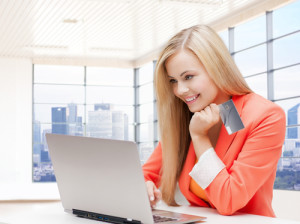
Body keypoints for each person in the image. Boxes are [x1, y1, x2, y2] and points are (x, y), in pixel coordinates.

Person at [142, 24, 286, 217]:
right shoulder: (189, 116)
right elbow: (144, 175)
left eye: (188, 77)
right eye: (173, 81)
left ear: (216, 68)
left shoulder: (263, 116)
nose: (180, 90)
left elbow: (228, 200)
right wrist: (145, 185)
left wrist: (200, 137)